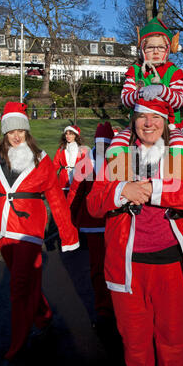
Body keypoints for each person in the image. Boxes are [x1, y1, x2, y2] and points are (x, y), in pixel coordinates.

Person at [86, 98, 183, 366]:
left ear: (165, 123)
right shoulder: (118, 156)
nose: (148, 123)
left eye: (155, 117)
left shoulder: (181, 155)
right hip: (128, 266)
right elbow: (94, 204)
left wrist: (157, 191)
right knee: (135, 345)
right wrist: (121, 192)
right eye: (142, 117)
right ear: (133, 120)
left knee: (174, 341)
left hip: (173, 266)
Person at [0, 102, 79, 364]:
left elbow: (55, 198)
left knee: (19, 286)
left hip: (28, 230)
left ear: (27, 131)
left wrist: (68, 234)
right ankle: (44, 318)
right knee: (26, 282)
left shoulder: (41, 159)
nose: (16, 135)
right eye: (11, 130)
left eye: (21, 130)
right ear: (5, 132)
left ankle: (17, 343)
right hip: (2, 230)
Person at [67, 122, 115, 330]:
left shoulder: (119, 161)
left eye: (107, 144)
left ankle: (118, 305)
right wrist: (68, 219)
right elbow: (75, 192)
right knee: (97, 266)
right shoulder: (86, 164)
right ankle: (103, 307)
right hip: (94, 224)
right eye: (100, 144)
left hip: (115, 223)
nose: (103, 148)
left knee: (116, 266)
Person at [121, 17, 183, 126]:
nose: (156, 51)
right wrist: (141, 92)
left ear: (167, 49)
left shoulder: (174, 72)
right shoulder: (135, 71)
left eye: (161, 47)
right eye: (150, 47)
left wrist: (161, 90)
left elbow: (178, 101)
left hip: (169, 127)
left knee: (179, 143)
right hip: (140, 127)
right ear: (142, 50)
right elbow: (125, 100)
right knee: (120, 141)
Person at [53, 125, 85, 194]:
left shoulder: (81, 149)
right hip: (63, 179)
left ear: (75, 135)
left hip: (77, 179)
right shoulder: (61, 149)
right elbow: (55, 164)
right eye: (66, 134)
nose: (68, 136)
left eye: (70, 134)